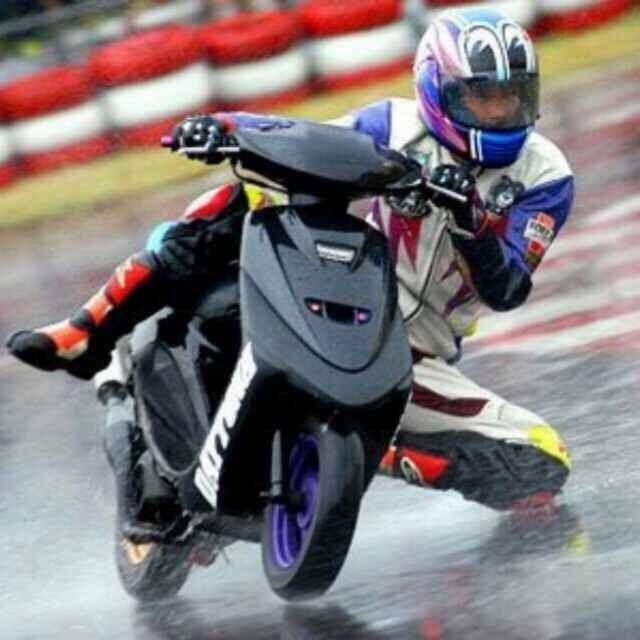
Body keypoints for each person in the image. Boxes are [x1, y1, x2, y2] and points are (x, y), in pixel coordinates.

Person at [7, 8, 574, 515]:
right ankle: (88, 330)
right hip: (335, 295)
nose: (500, 112)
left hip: (411, 359)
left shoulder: (545, 176)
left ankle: (372, 453)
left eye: (512, 96)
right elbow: (302, 143)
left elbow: (506, 289)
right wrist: (225, 127)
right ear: (437, 87)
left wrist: (470, 220)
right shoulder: (394, 125)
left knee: (544, 463)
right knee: (249, 193)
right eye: (483, 97)